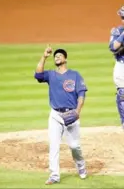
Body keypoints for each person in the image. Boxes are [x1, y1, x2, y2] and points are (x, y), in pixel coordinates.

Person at [34, 46, 87, 184]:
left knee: (75, 146)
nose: (57, 57)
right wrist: (44, 56)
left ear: (65, 59)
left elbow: (81, 94)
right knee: (54, 145)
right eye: (55, 56)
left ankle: (81, 167)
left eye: (59, 56)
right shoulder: (51, 75)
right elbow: (38, 75)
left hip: (71, 114)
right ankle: (54, 175)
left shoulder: (75, 75)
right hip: (56, 115)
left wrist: (77, 111)